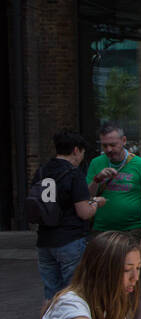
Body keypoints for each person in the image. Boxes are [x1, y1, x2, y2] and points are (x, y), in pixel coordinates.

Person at [86, 123, 141, 319]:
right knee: (103, 279)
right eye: (104, 145)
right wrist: (98, 179)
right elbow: (85, 197)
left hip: (132, 231)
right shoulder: (96, 163)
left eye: (113, 145)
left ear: (124, 142)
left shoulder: (140, 165)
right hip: (102, 231)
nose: (108, 150)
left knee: (135, 281)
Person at [34, 130, 105, 308]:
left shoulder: (41, 171)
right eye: (82, 152)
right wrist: (96, 203)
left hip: (44, 239)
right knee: (74, 293)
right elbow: (84, 212)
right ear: (76, 150)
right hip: (70, 240)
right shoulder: (74, 174)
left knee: (51, 293)